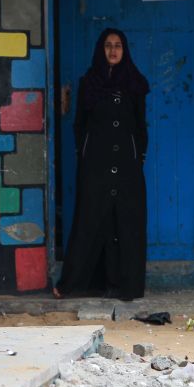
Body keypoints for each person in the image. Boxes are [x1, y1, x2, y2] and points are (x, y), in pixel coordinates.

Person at [54, 28, 149, 301]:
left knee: (126, 222)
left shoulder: (134, 82)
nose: (113, 50)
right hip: (95, 163)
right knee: (90, 218)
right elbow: (80, 123)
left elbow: (140, 125)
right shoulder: (89, 83)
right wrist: (84, 152)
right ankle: (73, 283)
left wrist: (138, 155)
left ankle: (127, 286)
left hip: (127, 164)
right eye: (108, 45)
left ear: (124, 50)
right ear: (100, 49)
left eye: (118, 45)